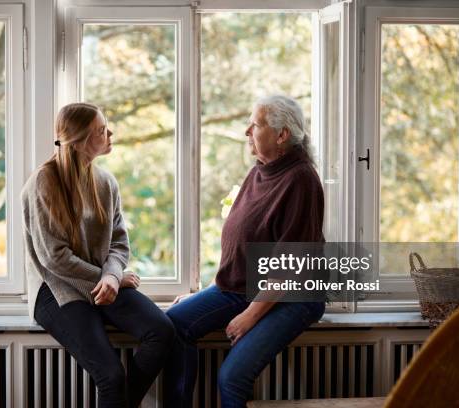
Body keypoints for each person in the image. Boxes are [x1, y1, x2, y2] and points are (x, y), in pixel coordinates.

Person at [163, 95, 326, 408]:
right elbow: (241, 245)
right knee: (173, 325)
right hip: (242, 288)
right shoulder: (259, 171)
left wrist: (250, 316)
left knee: (231, 378)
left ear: (282, 135)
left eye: (256, 124)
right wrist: (209, 290)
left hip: (291, 298)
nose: (246, 131)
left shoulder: (302, 180)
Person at [21, 102, 175, 408]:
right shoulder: (43, 182)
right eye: (102, 130)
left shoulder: (106, 182)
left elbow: (119, 242)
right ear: (78, 141)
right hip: (56, 289)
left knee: (162, 332)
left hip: (102, 282)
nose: (110, 133)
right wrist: (106, 278)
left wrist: (112, 276)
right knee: (111, 377)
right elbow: (54, 258)